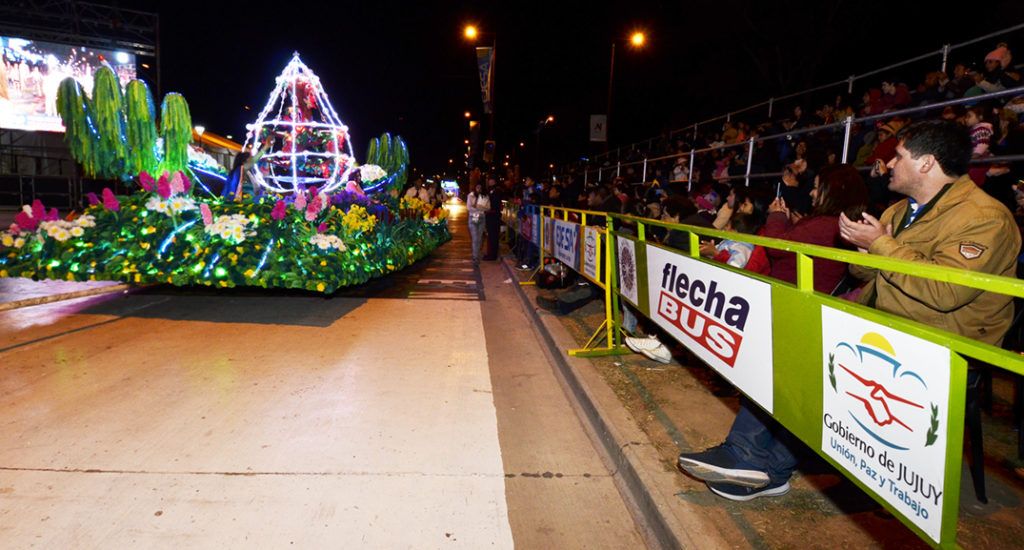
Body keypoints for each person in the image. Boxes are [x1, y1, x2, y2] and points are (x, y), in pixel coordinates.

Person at [678, 120, 1019, 503]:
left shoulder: (983, 217)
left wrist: (881, 246)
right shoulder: (897, 210)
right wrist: (866, 251)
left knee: (815, 355)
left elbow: (947, 291)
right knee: (794, 339)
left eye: (899, 157)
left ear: (927, 163)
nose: (888, 164)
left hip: (940, 340)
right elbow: (863, 273)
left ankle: (763, 464)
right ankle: (754, 459)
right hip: (885, 321)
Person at [467, 182, 489, 264]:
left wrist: (479, 207)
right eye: (477, 187)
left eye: (480, 187)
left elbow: (487, 207)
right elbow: (469, 208)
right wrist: (479, 208)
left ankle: (476, 254)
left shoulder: (485, 196)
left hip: (481, 218)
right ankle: (475, 257)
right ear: (475, 188)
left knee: (479, 239)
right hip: (473, 218)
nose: (479, 189)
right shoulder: (471, 195)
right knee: (475, 238)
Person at [482, 177, 503, 261]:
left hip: (494, 216)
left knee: (493, 236)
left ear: (494, 181)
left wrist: (487, 208)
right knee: (490, 236)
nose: (489, 182)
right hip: (491, 215)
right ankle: (491, 254)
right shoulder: (490, 190)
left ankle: (492, 255)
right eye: (488, 180)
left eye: (490, 180)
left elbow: (495, 204)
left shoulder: (496, 190)